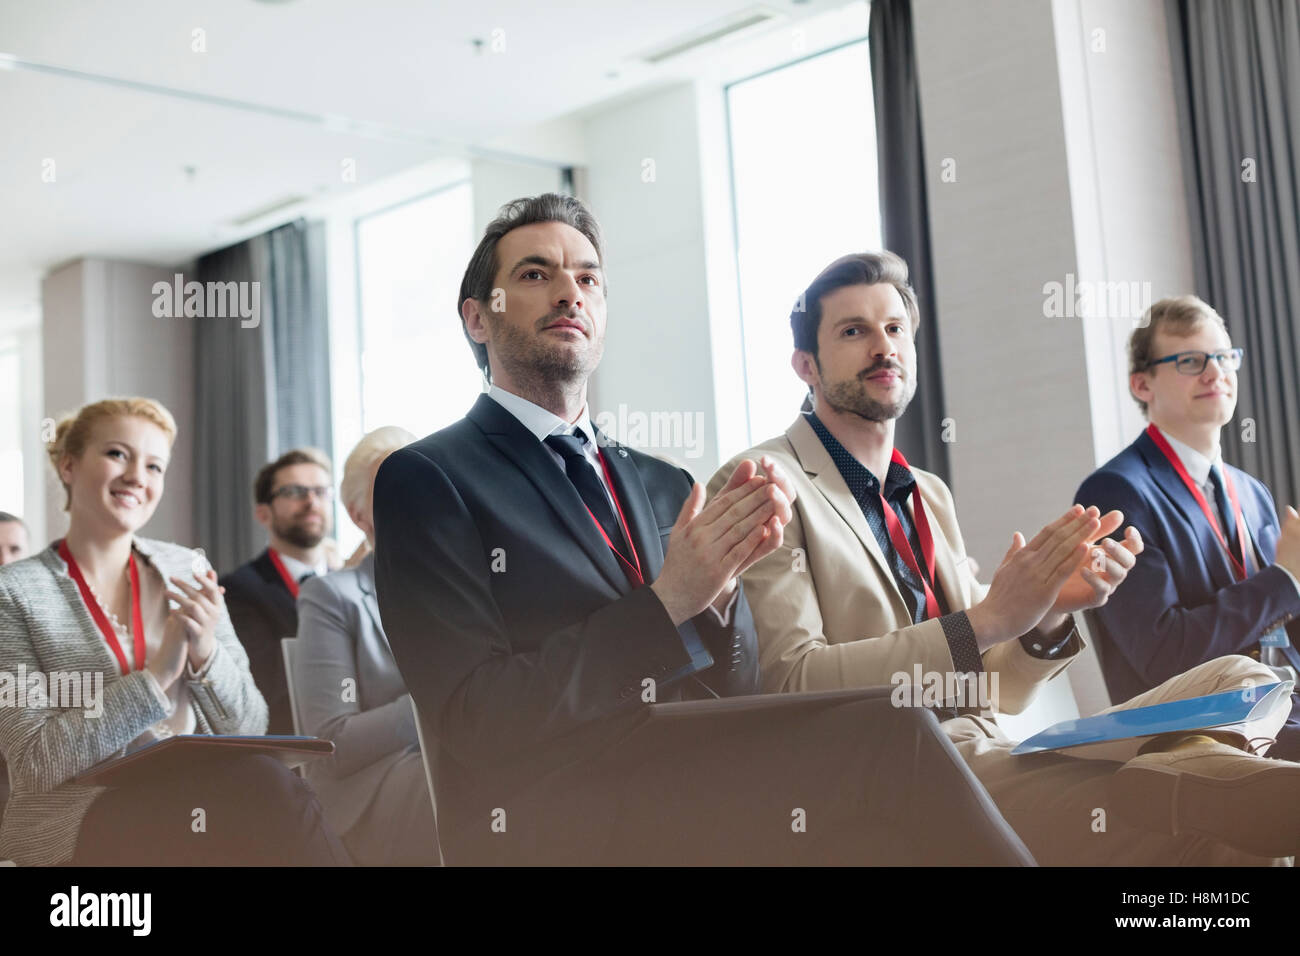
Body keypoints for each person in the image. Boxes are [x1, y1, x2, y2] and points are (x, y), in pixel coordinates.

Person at [374, 194, 1034, 867]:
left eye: (588, 278)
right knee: (891, 737)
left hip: (700, 778)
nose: (570, 292)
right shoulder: (429, 478)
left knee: (895, 756)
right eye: (536, 275)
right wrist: (670, 603)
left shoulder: (662, 483)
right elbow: (476, 720)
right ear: (478, 318)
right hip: (560, 813)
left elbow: (741, 690)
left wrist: (721, 607)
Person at [709, 251, 1300, 865]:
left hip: (997, 748)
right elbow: (791, 683)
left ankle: (1188, 771)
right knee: (1223, 829)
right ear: (806, 364)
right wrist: (988, 619)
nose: (882, 346)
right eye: (853, 331)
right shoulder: (766, 480)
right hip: (898, 775)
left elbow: (997, 691)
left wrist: (1045, 615)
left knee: (1251, 681)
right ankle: (1205, 782)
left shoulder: (928, 493)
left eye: (894, 328)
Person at [0, 397, 348, 866]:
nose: (137, 477)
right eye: (117, 454)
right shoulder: (14, 593)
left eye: (154, 465)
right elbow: (35, 762)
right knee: (263, 789)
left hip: (201, 791)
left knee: (267, 781)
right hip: (83, 816)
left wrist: (205, 654)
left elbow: (248, 725)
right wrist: (158, 676)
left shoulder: (187, 569)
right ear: (68, 465)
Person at [1074, 295, 1300, 756]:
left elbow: (1277, 624)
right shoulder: (1116, 492)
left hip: (1282, 709)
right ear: (1143, 384)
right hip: (1203, 732)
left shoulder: (1250, 490)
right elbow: (1165, 659)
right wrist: (1285, 578)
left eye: (1223, 357)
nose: (1215, 372)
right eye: (1191, 361)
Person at [293, 425, 442, 865]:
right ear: (361, 517)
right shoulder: (331, 597)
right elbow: (330, 743)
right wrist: (444, 701)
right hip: (375, 789)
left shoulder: (469, 587)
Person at [221, 448, 337, 734]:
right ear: (264, 513)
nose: (311, 501)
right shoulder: (239, 590)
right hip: (297, 745)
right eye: (295, 491)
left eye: (321, 491)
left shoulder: (348, 582)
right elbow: (268, 690)